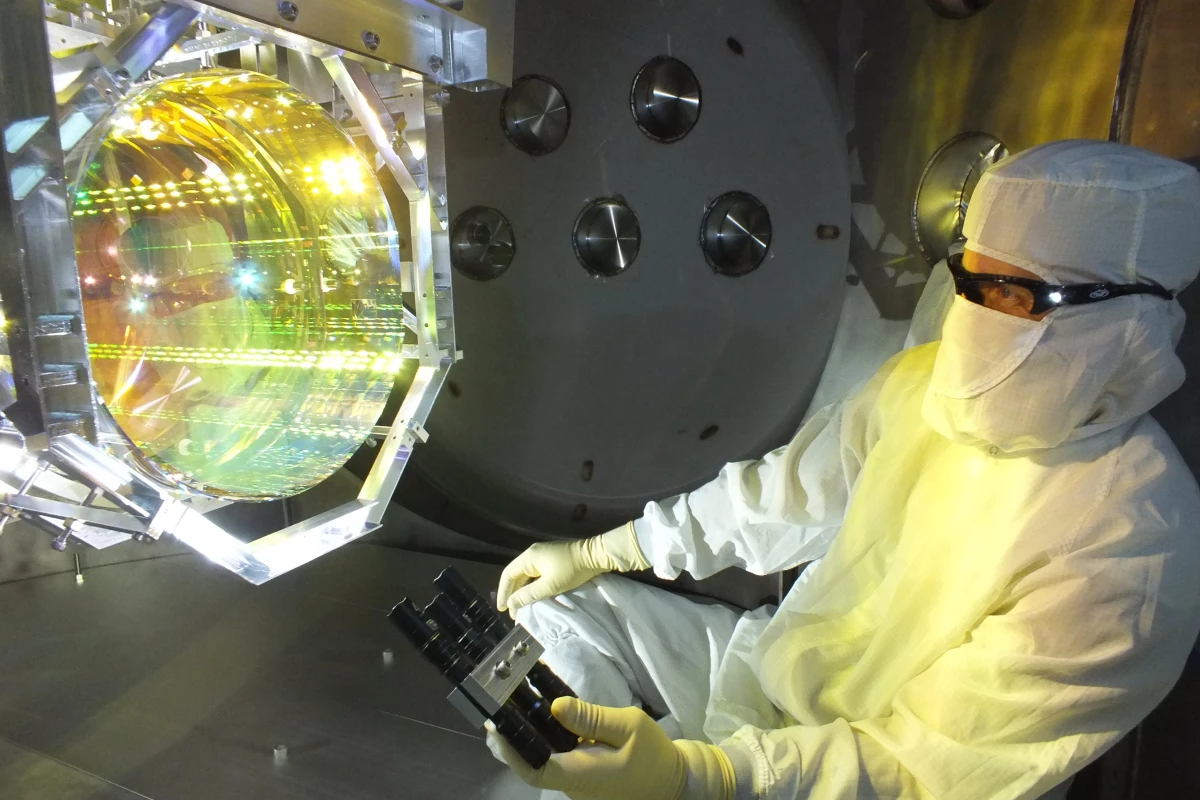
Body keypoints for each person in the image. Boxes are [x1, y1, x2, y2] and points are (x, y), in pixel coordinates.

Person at [484, 140, 1200, 800]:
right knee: (543, 606)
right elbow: (778, 501)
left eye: (1017, 297)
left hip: (858, 779)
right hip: (779, 676)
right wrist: (599, 552)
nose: (976, 324)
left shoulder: (1132, 549)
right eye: (971, 280)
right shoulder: (927, 385)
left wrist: (694, 775)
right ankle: (595, 759)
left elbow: (919, 767)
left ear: (1129, 319)